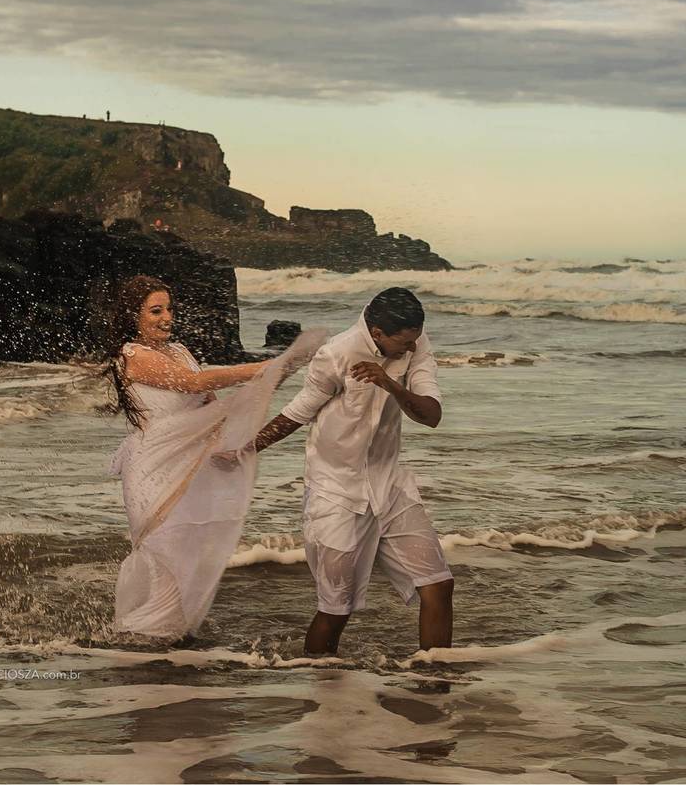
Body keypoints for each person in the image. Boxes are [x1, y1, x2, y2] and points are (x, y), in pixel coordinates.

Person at [220, 287, 454, 656]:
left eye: (414, 341)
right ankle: (324, 698)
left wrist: (389, 382)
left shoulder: (416, 343)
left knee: (438, 584)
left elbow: (432, 416)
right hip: (335, 491)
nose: (411, 349)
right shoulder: (337, 353)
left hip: (390, 484)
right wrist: (245, 450)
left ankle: (436, 688)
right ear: (377, 334)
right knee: (335, 609)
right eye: (403, 342)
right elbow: (297, 412)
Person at [102, 274, 322, 639]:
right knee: (165, 549)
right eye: (155, 310)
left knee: (190, 551)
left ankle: (165, 636)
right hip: (154, 467)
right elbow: (193, 384)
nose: (166, 317)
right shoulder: (133, 354)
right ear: (133, 315)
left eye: (169, 309)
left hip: (192, 462)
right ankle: (143, 636)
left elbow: (210, 403)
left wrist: (231, 441)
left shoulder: (179, 351)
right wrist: (266, 367)